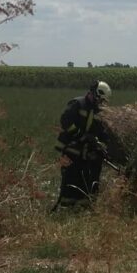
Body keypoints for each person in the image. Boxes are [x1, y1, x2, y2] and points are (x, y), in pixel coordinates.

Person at [52, 81, 112, 209]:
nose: (101, 103)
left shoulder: (98, 112)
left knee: (85, 182)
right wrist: (82, 136)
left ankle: (81, 210)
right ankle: (65, 210)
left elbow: (102, 132)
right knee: (70, 181)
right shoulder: (77, 104)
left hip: (84, 154)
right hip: (71, 150)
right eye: (100, 99)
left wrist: (101, 145)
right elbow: (66, 122)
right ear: (96, 94)